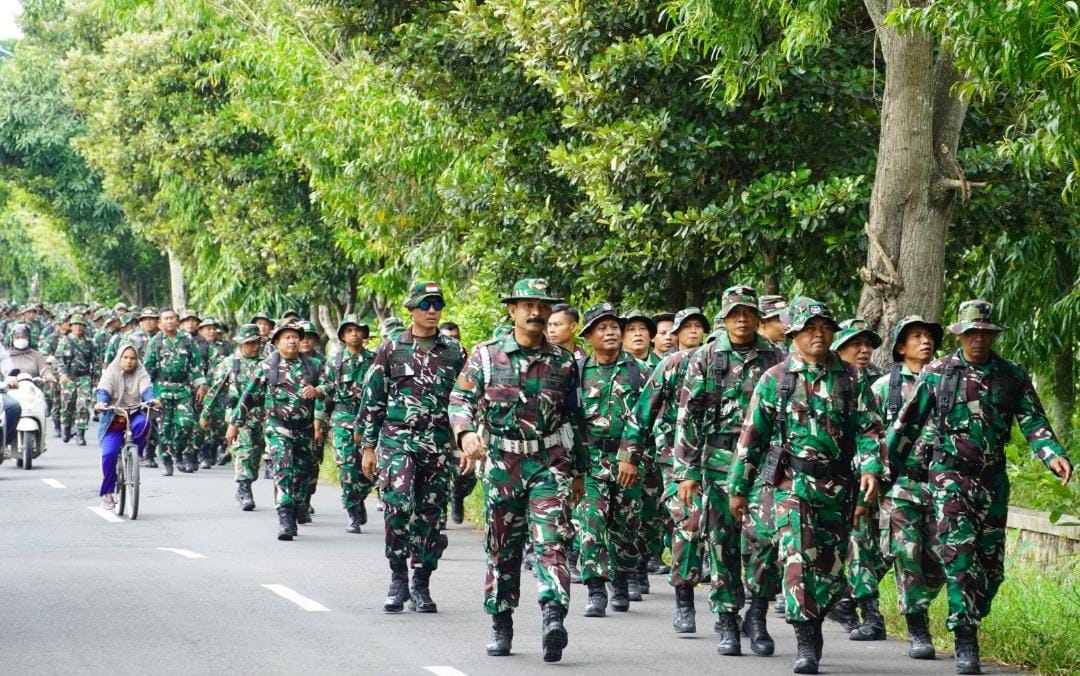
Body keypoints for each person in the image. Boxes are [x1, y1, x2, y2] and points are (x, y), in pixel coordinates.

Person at [884, 300, 1071, 675]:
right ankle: (965, 637)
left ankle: (973, 611)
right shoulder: (939, 373)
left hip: (992, 481)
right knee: (960, 560)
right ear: (960, 335)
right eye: (970, 333)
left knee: (990, 568)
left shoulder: (1011, 375)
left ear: (992, 335)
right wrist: (882, 473)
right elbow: (906, 427)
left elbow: (1034, 422)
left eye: (984, 333)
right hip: (949, 478)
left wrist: (1052, 454)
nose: (978, 340)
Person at [728, 297, 884, 675]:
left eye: (825, 328)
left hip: (837, 485)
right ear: (794, 333)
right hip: (789, 485)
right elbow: (752, 436)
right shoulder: (777, 379)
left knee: (830, 569)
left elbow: (869, 429)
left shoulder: (851, 378)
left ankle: (815, 618)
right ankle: (806, 642)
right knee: (797, 558)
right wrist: (738, 486)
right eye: (810, 328)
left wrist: (872, 468)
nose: (819, 334)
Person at [449, 278, 586, 663]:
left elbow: (575, 419)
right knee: (503, 547)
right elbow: (460, 398)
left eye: (542, 306)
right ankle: (501, 621)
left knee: (552, 541)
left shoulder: (563, 361)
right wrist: (464, 434)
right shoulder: (486, 356)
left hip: (549, 462)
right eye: (527, 305)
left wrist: (579, 471)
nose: (536, 312)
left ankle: (553, 617)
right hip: (502, 464)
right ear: (512, 311)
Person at [673, 285, 784, 656]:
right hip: (717, 460)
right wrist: (686, 470)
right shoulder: (706, 357)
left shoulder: (776, 357)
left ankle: (757, 611)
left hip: (763, 464)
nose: (742, 319)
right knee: (721, 542)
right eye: (735, 312)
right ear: (724, 316)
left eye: (748, 313)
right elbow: (687, 416)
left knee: (766, 538)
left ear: (757, 317)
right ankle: (726, 619)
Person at [359, 282, 466, 613]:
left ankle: (421, 582)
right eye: (425, 304)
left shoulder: (454, 352)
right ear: (411, 309)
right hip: (397, 440)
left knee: (431, 515)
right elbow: (373, 398)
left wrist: (465, 440)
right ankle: (397, 577)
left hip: (436, 443)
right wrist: (368, 447)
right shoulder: (392, 348)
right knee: (398, 505)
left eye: (437, 304)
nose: (432, 310)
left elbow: (465, 399)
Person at [619, 306, 707, 633]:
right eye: (687, 327)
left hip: (721, 463)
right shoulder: (672, 365)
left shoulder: (719, 363)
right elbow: (643, 412)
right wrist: (630, 454)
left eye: (700, 326)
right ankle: (684, 598)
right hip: (673, 458)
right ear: (675, 334)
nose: (693, 332)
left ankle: (743, 607)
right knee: (684, 520)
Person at [871, 315, 945, 660]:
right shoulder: (883, 387)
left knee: (940, 555)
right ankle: (918, 628)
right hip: (900, 484)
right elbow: (868, 436)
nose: (924, 341)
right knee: (906, 552)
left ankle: (859, 590)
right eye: (915, 336)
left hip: (942, 484)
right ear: (900, 347)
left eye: (928, 336)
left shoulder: (948, 382)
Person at [575, 302, 646, 618]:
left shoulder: (639, 372)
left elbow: (651, 418)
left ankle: (622, 575)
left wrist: (633, 455)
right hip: (590, 461)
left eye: (614, 327)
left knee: (626, 528)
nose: (610, 332)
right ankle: (595, 588)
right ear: (589, 335)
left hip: (628, 462)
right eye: (602, 327)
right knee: (591, 522)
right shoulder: (576, 373)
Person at [229, 320, 323, 540]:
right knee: (283, 470)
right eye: (287, 337)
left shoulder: (313, 366)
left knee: (303, 473)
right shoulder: (267, 366)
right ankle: (285, 519)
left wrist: (318, 391)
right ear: (277, 342)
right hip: (277, 427)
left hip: (305, 429)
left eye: (295, 337)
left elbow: (330, 388)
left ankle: (298, 505)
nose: (292, 341)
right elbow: (249, 396)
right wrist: (235, 423)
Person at [829, 318, 889, 641]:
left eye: (868, 344)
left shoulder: (881, 381)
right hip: (834, 479)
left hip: (873, 475)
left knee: (877, 547)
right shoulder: (827, 379)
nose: (864, 350)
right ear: (840, 347)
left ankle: (850, 599)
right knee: (853, 542)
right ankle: (866, 610)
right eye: (856, 344)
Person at [315, 314, 375, 533]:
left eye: (358, 330)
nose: (354, 334)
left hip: (369, 421)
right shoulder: (335, 361)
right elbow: (326, 388)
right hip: (343, 420)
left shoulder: (375, 360)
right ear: (342, 335)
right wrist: (319, 420)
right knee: (347, 468)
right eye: (349, 330)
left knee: (369, 471)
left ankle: (360, 497)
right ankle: (352, 512)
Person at [201, 325, 265, 511]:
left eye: (257, 342)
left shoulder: (267, 362)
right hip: (239, 416)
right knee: (244, 450)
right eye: (250, 343)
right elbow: (216, 390)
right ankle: (244, 489)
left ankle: (248, 481)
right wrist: (206, 413)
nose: (255, 346)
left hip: (263, 415)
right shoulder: (230, 363)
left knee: (256, 453)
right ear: (241, 344)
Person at [93, 345, 157, 510]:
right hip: (113, 418)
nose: (129, 361)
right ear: (120, 358)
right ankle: (107, 494)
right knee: (109, 454)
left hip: (134, 414)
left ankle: (136, 452)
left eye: (133, 358)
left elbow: (147, 389)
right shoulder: (111, 372)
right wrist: (102, 402)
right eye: (126, 357)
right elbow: (103, 390)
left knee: (144, 423)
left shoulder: (141, 372)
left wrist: (151, 400)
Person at [143, 309, 206, 475]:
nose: (169, 321)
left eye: (172, 318)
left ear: (177, 320)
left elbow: (196, 364)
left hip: (183, 388)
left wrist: (201, 385)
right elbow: (147, 368)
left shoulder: (187, 340)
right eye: (166, 319)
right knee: (164, 428)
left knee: (186, 424)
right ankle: (167, 460)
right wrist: (146, 391)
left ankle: (177, 451)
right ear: (160, 322)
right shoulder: (155, 342)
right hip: (161, 389)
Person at [58, 313, 98, 445]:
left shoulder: (90, 343)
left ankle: (80, 434)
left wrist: (96, 380)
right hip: (69, 377)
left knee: (83, 406)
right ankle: (66, 428)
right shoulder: (64, 341)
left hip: (84, 377)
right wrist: (62, 374)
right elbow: (59, 359)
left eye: (80, 325)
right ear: (71, 326)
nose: (78, 328)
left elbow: (96, 362)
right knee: (67, 405)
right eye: (75, 325)